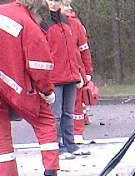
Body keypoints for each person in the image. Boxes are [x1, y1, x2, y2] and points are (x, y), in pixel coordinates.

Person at [0, 0, 61, 176]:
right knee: (44, 119)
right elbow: (39, 65)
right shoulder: (28, 24)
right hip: (11, 81)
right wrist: (47, 92)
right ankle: (51, 172)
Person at [43, 0, 87, 159]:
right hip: (55, 77)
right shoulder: (44, 24)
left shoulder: (67, 23)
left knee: (68, 113)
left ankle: (70, 145)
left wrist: (80, 73)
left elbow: (74, 51)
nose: (55, 4)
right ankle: (57, 147)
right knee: (55, 115)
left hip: (71, 76)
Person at [61, 0, 93, 144]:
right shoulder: (74, 23)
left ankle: (76, 132)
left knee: (75, 102)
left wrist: (87, 71)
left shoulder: (75, 24)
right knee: (72, 102)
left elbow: (83, 49)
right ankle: (72, 132)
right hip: (68, 69)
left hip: (73, 69)